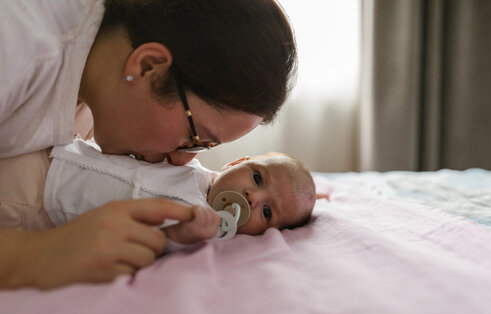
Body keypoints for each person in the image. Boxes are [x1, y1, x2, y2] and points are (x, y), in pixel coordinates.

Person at [0, 0, 297, 288]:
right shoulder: (19, 45)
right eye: (192, 139)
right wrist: (37, 253)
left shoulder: (106, 86)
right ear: (148, 66)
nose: (181, 161)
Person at [44, 138, 316, 247]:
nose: (253, 198)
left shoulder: (210, 230)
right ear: (235, 163)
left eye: (267, 212)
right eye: (257, 178)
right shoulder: (186, 163)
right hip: (61, 152)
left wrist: (182, 235)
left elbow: (159, 243)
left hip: (47, 203)